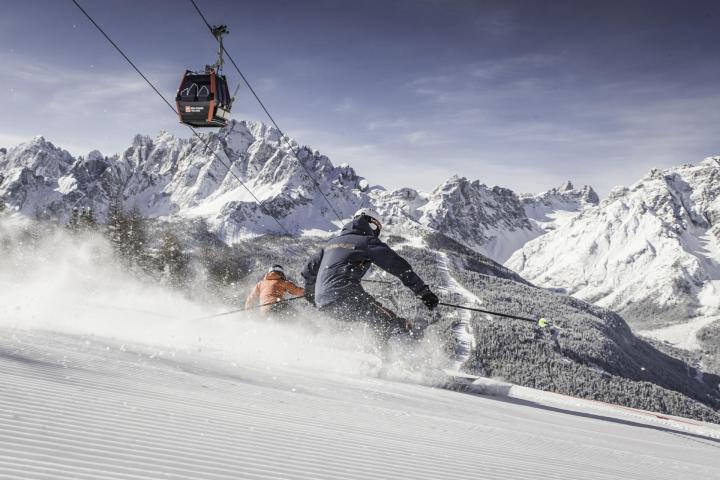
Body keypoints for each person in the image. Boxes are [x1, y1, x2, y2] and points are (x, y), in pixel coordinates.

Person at [301, 208, 439, 344]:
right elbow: (398, 266)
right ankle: (392, 359)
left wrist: (313, 296)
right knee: (389, 321)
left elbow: (308, 272)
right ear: (372, 225)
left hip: (324, 303)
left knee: (375, 318)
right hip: (345, 295)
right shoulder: (366, 241)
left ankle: (376, 353)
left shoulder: (329, 244)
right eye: (376, 228)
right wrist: (424, 292)